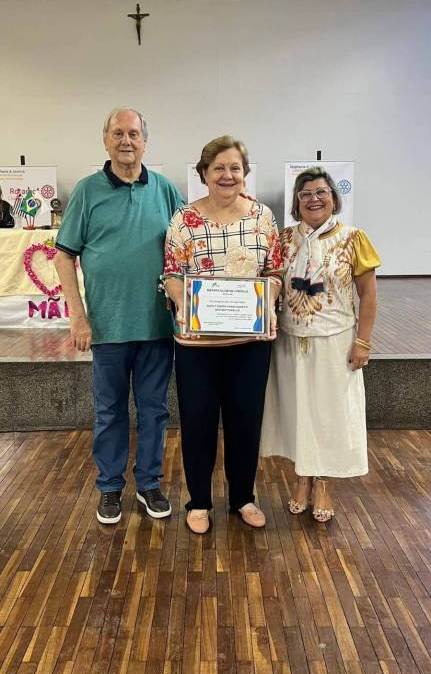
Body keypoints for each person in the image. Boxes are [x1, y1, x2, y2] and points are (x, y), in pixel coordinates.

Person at [54, 108, 184, 525]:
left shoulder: (165, 190)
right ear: (105, 140)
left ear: (145, 141)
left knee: (154, 411)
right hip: (107, 328)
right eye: (118, 133)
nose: (126, 141)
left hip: (157, 325)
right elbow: (63, 256)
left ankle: (148, 484)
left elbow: (190, 244)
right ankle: (110, 487)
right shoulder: (87, 191)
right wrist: (78, 317)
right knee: (109, 412)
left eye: (133, 133)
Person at [162, 135, 283, 534]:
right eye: (218, 168)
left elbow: (275, 271)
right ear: (204, 174)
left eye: (235, 168)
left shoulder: (263, 217)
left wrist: (267, 303)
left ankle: (243, 498)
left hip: (249, 344)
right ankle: (198, 502)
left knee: (245, 421)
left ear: (244, 174)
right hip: (197, 344)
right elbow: (171, 273)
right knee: (197, 422)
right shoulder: (184, 219)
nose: (227, 175)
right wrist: (185, 305)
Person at [260, 167, 380, 522]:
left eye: (321, 192)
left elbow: (369, 295)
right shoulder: (284, 239)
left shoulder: (354, 238)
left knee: (329, 414)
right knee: (297, 411)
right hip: (290, 340)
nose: (314, 199)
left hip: (335, 342)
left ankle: (324, 482)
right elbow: (271, 283)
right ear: (297, 202)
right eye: (306, 194)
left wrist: (363, 342)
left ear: (334, 198)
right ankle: (302, 477)